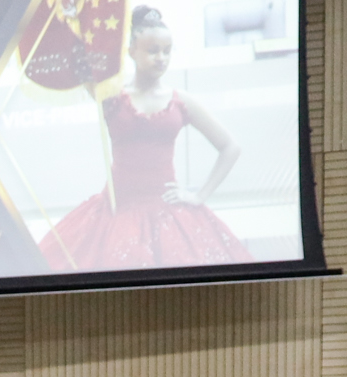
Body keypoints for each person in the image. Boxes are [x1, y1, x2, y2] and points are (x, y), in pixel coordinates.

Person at [40, 6, 251, 273]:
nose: (161, 58)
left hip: (171, 216)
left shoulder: (181, 101)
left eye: (167, 50)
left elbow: (230, 146)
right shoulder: (111, 96)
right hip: (115, 214)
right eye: (153, 51)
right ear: (131, 51)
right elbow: (78, 61)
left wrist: (199, 195)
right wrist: (71, 16)